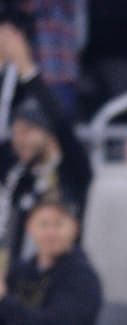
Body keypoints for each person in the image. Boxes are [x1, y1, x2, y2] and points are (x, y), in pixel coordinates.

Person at [0, 23, 93, 278]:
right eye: (16, 131)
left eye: (30, 131)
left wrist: (26, 68)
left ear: (49, 134)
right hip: (13, 275)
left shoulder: (73, 169)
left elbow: (61, 123)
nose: (20, 140)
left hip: (60, 277)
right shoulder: (17, 170)